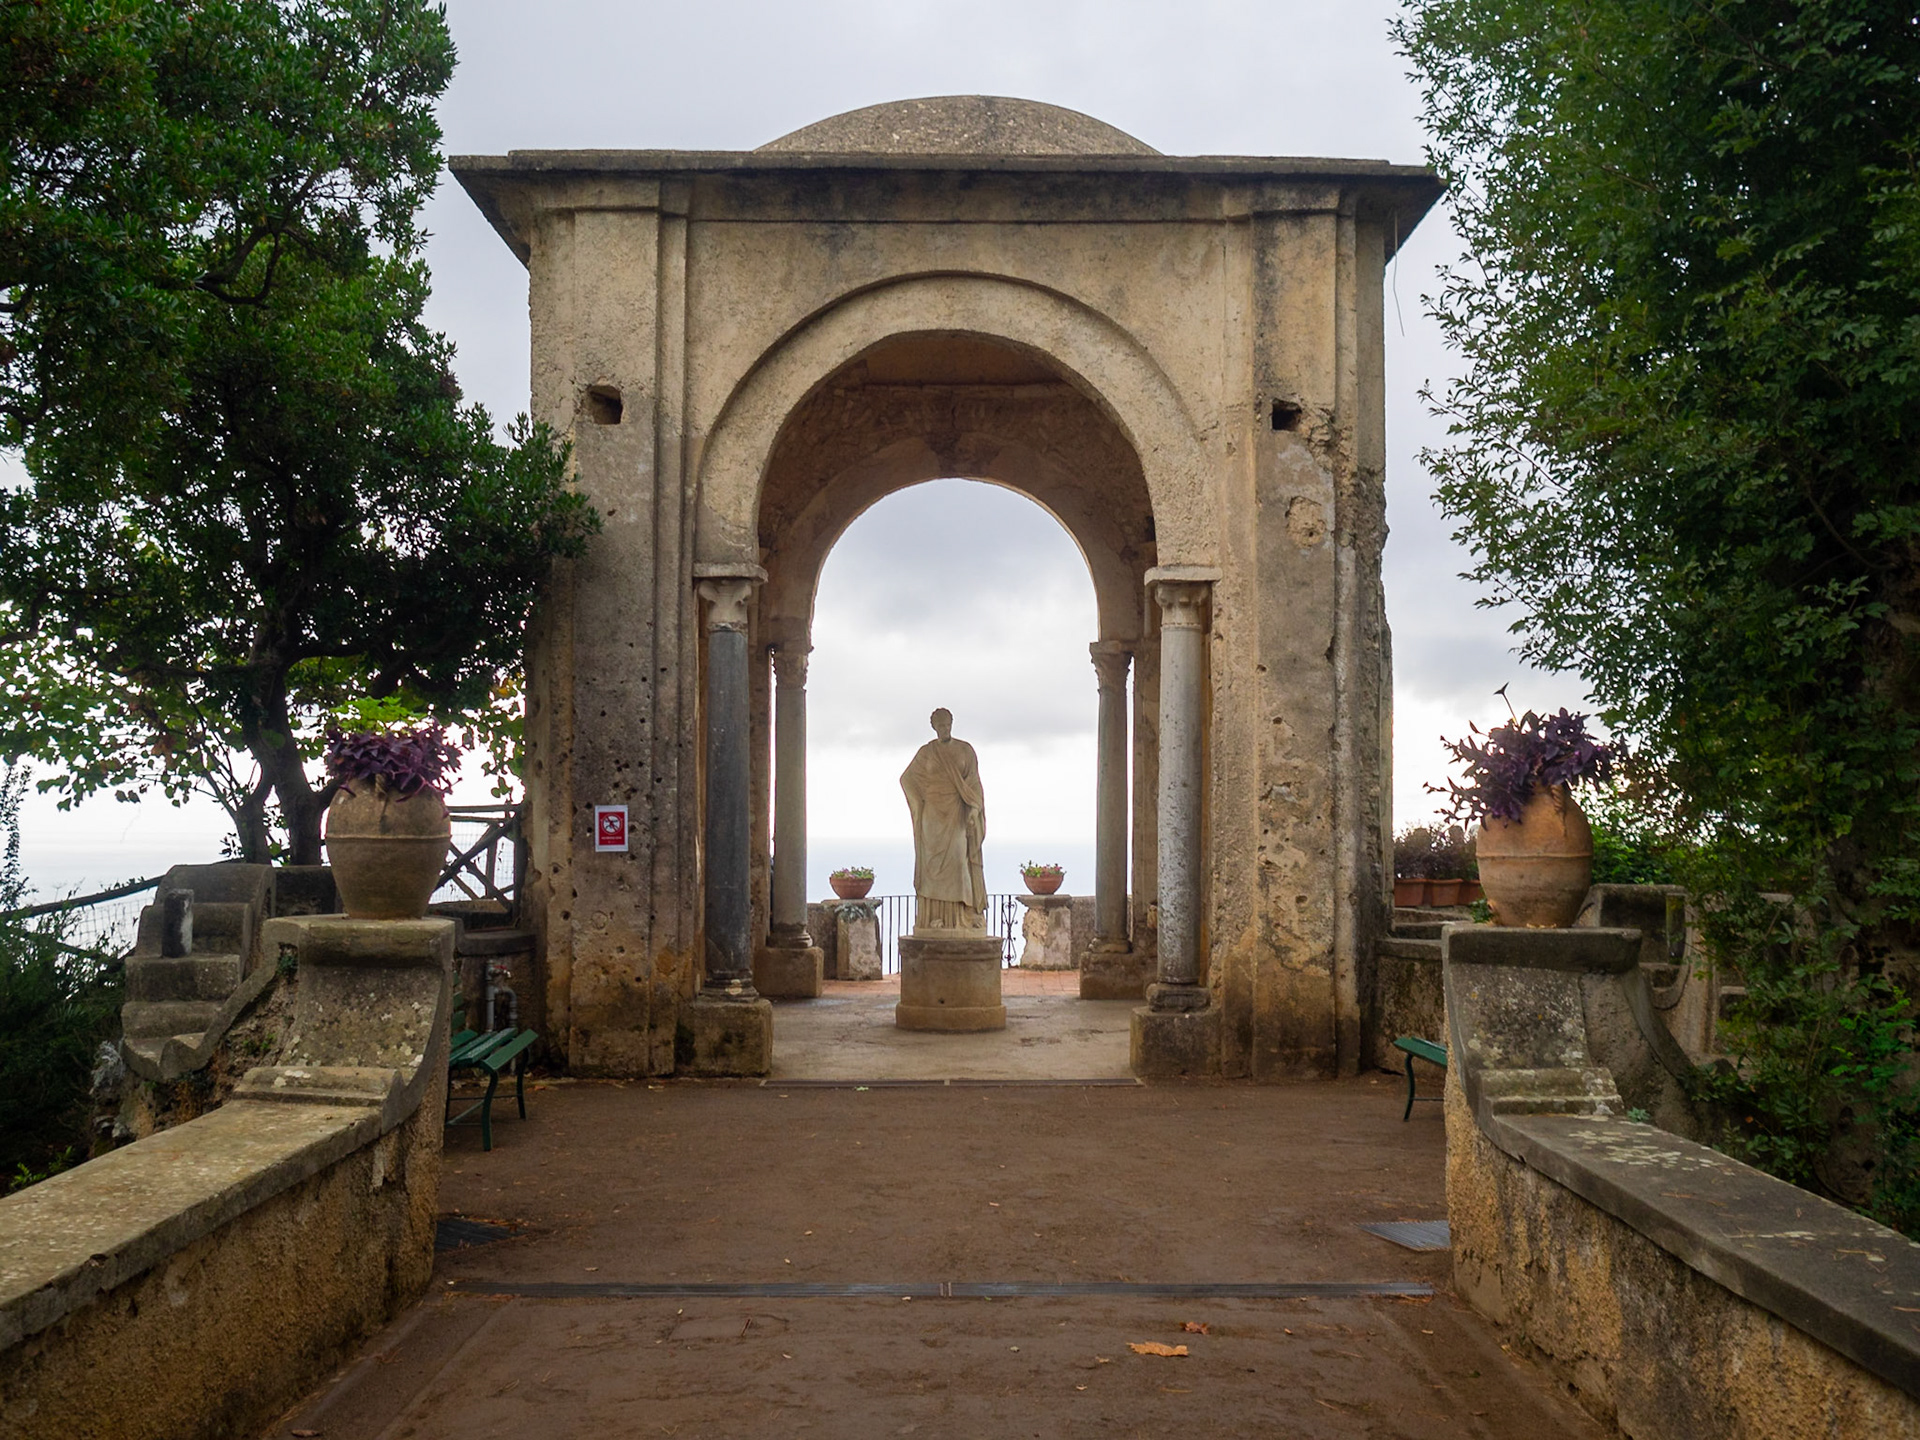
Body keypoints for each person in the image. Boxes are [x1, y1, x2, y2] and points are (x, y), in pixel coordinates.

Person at [899, 708, 987, 933]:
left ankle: (961, 917)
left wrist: (974, 811)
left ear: (952, 724)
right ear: (934, 728)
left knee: (959, 861)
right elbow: (907, 778)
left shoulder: (965, 750)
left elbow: (974, 784)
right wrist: (919, 803)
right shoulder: (926, 752)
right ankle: (934, 918)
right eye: (940, 726)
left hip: (956, 813)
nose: (944, 730)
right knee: (931, 867)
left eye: (947, 725)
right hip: (932, 815)